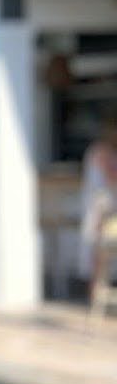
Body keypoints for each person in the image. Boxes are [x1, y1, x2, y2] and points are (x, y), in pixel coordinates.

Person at [80, 113, 117, 308]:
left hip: (105, 213)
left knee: (98, 257)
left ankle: (96, 299)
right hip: (99, 213)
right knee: (97, 257)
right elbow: (111, 178)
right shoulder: (101, 152)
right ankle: (95, 299)